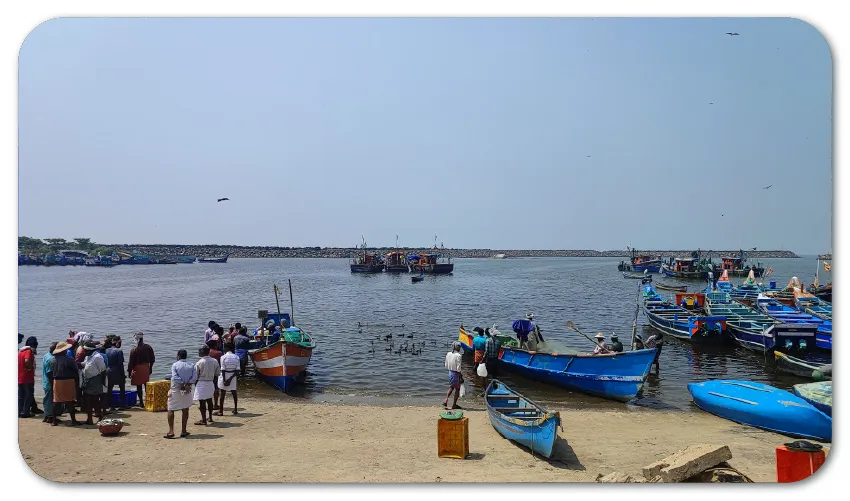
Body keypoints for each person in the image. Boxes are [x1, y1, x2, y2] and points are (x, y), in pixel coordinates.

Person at [165, 350, 196, 439]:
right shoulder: (191, 365)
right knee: (185, 409)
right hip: (187, 391)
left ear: (178, 356)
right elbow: (194, 377)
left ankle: (171, 431)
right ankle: (183, 430)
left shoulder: (175, 365)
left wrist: (182, 384)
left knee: (171, 409)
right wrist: (187, 385)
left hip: (175, 390)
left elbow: (175, 377)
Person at [51, 342, 80, 426]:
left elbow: (52, 371)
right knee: (69, 401)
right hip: (68, 381)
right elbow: (75, 370)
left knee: (56, 401)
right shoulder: (69, 359)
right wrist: (77, 381)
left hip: (57, 381)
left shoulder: (52, 359)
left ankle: (54, 421)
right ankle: (73, 420)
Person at [81, 341, 108, 424]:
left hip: (95, 380)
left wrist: (103, 384)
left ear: (90, 350)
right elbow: (85, 364)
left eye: (85, 350)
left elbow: (103, 371)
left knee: (95, 400)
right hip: (87, 380)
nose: (84, 352)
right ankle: (90, 419)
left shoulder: (97, 357)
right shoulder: (88, 356)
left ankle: (99, 417)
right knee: (88, 400)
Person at [193, 345, 220, 426]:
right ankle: (210, 417)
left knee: (202, 403)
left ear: (203, 352)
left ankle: (204, 420)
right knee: (209, 400)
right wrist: (214, 384)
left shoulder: (199, 362)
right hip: (210, 382)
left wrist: (195, 384)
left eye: (199, 351)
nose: (198, 352)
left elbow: (195, 376)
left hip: (201, 383)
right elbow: (217, 374)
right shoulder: (214, 361)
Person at [128, 332, 155, 407]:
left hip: (137, 369)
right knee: (146, 385)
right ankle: (148, 401)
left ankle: (141, 402)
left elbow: (131, 363)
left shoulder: (134, 349)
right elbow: (152, 359)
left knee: (139, 386)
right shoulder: (148, 347)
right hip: (146, 368)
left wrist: (129, 371)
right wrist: (150, 368)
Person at [18, 336, 41, 418]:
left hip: (20, 377)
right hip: (27, 377)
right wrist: (30, 368)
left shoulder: (20, 351)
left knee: (21, 396)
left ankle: (19, 411)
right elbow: (27, 360)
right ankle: (26, 412)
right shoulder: (28, 351)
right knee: (28, 395)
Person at [217, 343, 240, 416]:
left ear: (226, 349)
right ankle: (235, 409)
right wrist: (230, 379)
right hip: (233, 376)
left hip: (225, 375)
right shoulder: (236, 357)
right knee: (234, 393)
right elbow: (237, 370)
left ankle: (221, 411)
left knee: (222, 394)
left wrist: (224, 379)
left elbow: (223, 369)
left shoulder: (223, 357)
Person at [105, 336, 127, 411]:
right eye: (120, 342)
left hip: (108, 370)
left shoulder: (107, 350)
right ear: (117, 343)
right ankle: (122, 405)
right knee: (122, 386)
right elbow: (120, 364)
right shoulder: (119, 351)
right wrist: (123, 374)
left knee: (109, 388)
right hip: (116, 371)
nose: (121, 344)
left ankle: (110, 405)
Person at [442, 342, 463, 410]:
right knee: (457, 389)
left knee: (451, 387)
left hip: (450, 372)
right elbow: (458, 368)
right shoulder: (458, 356)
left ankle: (446, 399)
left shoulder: (448, 354)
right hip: (456, 374)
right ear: (458, 348)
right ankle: (454, 404)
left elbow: (446, 365)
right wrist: (461, 376)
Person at [41, 342, 58, 424]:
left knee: (47, 399)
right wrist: (52, 383)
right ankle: (50, 417)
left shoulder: (46, 356)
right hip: (49, 382)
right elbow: (49, 372)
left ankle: (47, 415)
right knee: (50, 400)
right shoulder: (51, 359)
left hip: (45, 381)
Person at [206, 340, 223, 409]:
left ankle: (207, 403)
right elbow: (221, 363)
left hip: (206, 373)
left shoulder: (206, 353)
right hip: (215, 373)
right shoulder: (219, 353)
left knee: (207, 388)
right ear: (215, 345)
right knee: (216, 389)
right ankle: (215, 404)